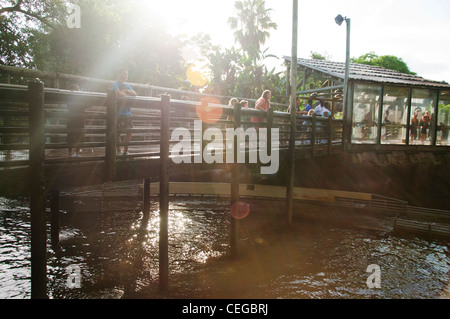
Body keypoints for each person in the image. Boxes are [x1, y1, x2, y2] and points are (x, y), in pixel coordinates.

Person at [113, 68, 137, 155]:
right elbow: (118, 93)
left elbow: (135, 93)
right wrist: (125, 94)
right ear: (119, 74)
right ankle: (119, 151)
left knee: (129, 131)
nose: (125, 75)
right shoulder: (114, 83)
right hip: (118, 113)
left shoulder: (126, 85)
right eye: (123, 73)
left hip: (127, 113)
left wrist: (126, 91)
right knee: (118, 133)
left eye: (126, 74)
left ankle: (126, 151)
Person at [67, 83, 85, 157]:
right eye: (74, 90)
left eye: (77, 90)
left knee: (79, 135)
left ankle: (77, 152)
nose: (75, 91)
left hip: (79, 120)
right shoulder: (69, 98)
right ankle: (71, 152)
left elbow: (89, 104)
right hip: (72, 120)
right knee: (71, 135)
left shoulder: (82, 98)